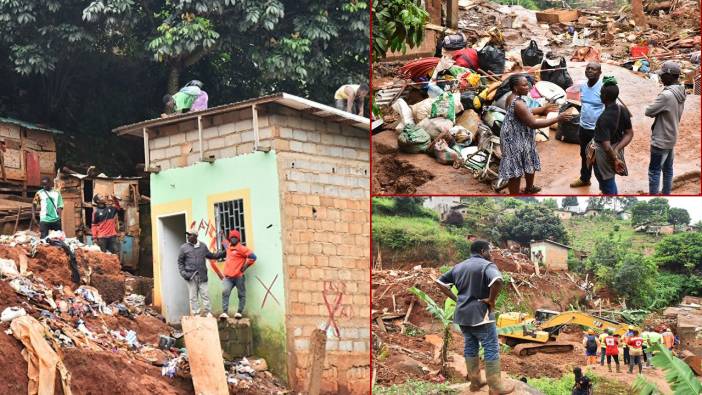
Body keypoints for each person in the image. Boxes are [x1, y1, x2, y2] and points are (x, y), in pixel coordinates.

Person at [437, 240, 513, 394]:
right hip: (480, 314)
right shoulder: (486, 265)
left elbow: (439, 282)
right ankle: (495, 387)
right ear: (483, 250)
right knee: (491, 346)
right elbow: (497, 281)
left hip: (462, 314)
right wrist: (491, 300)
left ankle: (475, 382)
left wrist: (456, 299)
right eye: (489, 251)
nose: (490, 254)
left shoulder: (459, 266)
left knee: (470, 345)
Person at [499, 74, 573, 194]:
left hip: (521, 135)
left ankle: (529, 188)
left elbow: (526, 111)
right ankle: (514, 195)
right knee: (515, 170)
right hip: (513, 138)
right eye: (523, 85)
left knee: (529, 159)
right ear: (515, 88)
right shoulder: (517, 103)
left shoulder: (515, 97)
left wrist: (542, 109)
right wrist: (558, 118)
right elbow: (533, 123)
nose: (528, 87)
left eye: (527, 84)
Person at [645, 61, 686, 195]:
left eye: (663, 75)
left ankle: (653, 197)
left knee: (654, 171)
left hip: (661, 140)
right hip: (671, 137)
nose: (661, 78)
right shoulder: (681, 90)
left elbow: (649, 111)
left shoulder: (666, 95)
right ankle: (666, 193)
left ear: (670, 76)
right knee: (668, 170)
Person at [592, 76, 634, 194]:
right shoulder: (623, 110)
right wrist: (617, 149)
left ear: (604, 97)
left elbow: (606, 146)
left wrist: (614, 158)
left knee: (607, 181)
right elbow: (629, 133)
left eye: (600, 93)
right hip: (616, 149)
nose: (599, 95)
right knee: (610, 177)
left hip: (605, 154)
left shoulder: (603, 119)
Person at [571, 62, 604, 188]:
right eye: (588, 68)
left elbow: (610, 109)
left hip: (597, 130)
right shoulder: (583, 86)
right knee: (584, 155)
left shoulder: (603, 87)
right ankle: (585, 179)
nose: (590, 71)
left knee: (597, 158)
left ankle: (604, 186)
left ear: (600, 73)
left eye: (594, 69)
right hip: (583, 127)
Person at [177, 231, 225, 317]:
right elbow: (180, 262)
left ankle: (208, 313)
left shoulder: (203, 246)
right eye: (187, 236)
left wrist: (224, 253)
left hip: (202, 275)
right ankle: (196, 313)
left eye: (190, 235)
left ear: (195, 236)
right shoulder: (183, 248)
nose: (188, 237)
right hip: (190, 276)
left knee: (205, 295)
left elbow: (212, 255)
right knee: (193, 297)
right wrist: (183, 273)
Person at [220, 229, 257, 320]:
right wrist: (222, 235)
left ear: (238, 239)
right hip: (228, 277)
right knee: (225, 292)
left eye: (235, 238)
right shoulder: (228, 247)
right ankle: (225, 312)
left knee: (241, 294)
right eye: (231, 237)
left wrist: (245, 267)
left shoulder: (242, 248)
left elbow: (253, 257)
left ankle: (239, 312)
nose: (232, 239)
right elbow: (225, 242)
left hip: (238, 277)